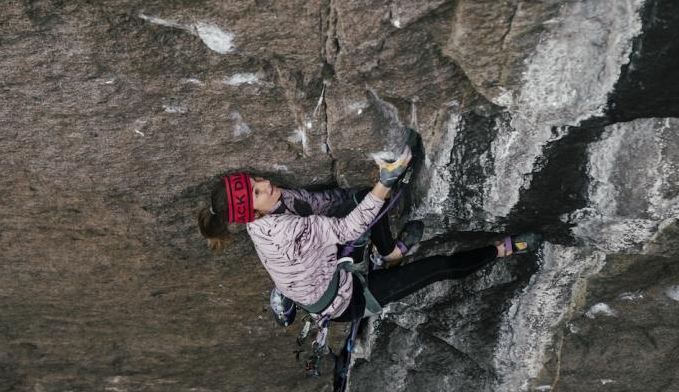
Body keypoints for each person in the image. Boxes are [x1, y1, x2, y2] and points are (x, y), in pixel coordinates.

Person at [197, 143, 542, 334]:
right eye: (258, 192)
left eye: (257, 181)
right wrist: (386, 182)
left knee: (361, 203)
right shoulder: (284, 230)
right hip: (347, 301)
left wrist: (366, 194)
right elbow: (347, 228)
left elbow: (320, 204)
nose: (267, 185)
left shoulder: (262, 217)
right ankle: (502, 249)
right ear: (253, 213)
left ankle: (390, 253)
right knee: (439, 268)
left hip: (323, 276)